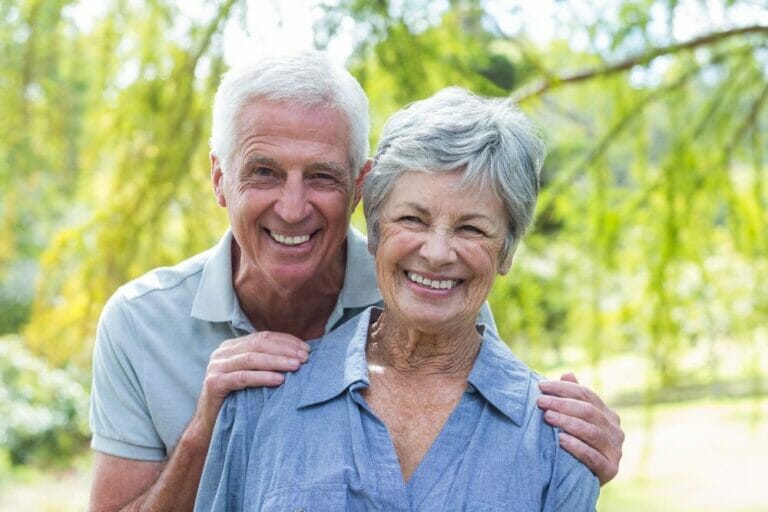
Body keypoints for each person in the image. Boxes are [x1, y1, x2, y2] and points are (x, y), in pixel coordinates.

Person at [88, 52, 623, 512]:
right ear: (219, 179)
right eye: (264, 172)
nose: (293, 208)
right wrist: (206, 428)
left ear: (359, 190)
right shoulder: (142, 323)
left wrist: (578, 447)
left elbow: (488, 431)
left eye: (321, 175)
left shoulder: (435, 295)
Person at [195, 86, 599, 511]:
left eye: (472, 229)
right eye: (412, 219)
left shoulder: (560, 440)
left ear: (506, 251)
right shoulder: (258, 403)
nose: (438, 253)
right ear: (374, 232)